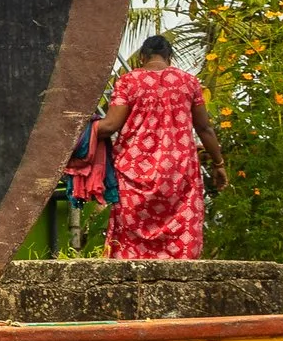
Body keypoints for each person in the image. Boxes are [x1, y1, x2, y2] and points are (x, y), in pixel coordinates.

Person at [87, 35, 226, 259]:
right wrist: (219, 164)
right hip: (178, 174)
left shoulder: (128, 82)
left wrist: (82, 132)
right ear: (169, 57)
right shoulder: (189, 82)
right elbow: (205, 129)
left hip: (133, 173)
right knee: (182, 234)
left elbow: (110, 125)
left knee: (129, 241)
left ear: (142, 57)